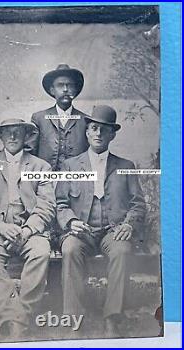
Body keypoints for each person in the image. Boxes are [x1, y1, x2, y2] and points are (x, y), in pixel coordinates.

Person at [56, 105, 146, 337]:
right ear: (87, 132)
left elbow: (138, 204)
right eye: (94, 128)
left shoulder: (126, 167)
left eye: (104, 130)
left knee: (122, 251)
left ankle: (112, 319)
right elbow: (61, 204)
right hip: (81, 231)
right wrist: (70, 222)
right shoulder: (70, 166)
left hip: (112, 230)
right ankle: (73, 319)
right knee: (69, 249)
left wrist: (128, 224)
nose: (98, 134)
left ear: (112, 135)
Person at [0, 118, 56, 341]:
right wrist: (0, 225)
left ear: (27, 136)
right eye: (8, 132)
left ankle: (19, 320)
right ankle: (11, 319)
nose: (13, 137)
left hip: (29, 230)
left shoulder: (40, 166)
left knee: (41, 252)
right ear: (0, 136)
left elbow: (47, 206)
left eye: (18, 132)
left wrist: (26, 231)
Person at [30, 64, 89, 170]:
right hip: (47, 182)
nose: (65, 89)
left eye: (69, 85)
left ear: (75, 90)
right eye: (60, 85)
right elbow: (30, 157)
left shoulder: (85, 120)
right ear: (52, 90)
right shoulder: (39, 118)